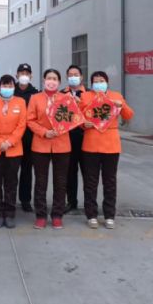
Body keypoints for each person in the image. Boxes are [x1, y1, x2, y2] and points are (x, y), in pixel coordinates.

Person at [79, 71, 134, 229]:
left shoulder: (116, 96)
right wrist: (84, 124)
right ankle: (91, 214)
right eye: (95, 81)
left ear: (107, 82)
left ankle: (109, 215)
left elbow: (129, 115)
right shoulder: (86, 97)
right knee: (90, 182)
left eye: (101, 80)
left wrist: (121, 105)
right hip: (90, 143)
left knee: (110, 181)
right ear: (91, 84)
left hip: (111, 145)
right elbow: (78, 117)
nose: (98, 83)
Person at [26, 69, 72, 229]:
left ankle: (57, 214)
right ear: (44, 80)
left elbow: (71, 119)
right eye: (49, 78)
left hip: (62, 144)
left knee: (60, 182)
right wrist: (44, 132)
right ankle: (40, 215)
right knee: (40, 182)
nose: (51, 81)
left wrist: (60, 129)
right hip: (40, 144)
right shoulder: (35, 98)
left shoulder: (66, 99)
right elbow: (30, 120)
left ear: (59, 82)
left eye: (55, 78)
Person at [0, 75, 27, 228]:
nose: (7, 88)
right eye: (4, 85)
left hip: (13, 148)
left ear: (14, 87)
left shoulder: (21, 102)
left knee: (11, 182)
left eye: (10, 85)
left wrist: (9, 142)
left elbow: (22, 125)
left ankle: (9, 213)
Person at [61, 64, 87, 213]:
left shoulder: (89, 94)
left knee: (88, 172)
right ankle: (71, 201)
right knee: (70, 172)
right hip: (68, 137)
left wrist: (80, 104)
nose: (73, 77)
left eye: (76, 74)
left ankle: (90, 203)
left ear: (81, 77)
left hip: (86, 138)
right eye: (70, 75)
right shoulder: (62, 94)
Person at [14, 63, 38, 212]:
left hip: (29, 139)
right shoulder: (10, 90)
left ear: (31, 76)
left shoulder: (35, 94)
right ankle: (7, 199)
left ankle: (25, 200)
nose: (24, 75)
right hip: (12, 139)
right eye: (21, 73)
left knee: (27, 171)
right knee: (9, 172)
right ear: (17, 75)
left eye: (27, 73)